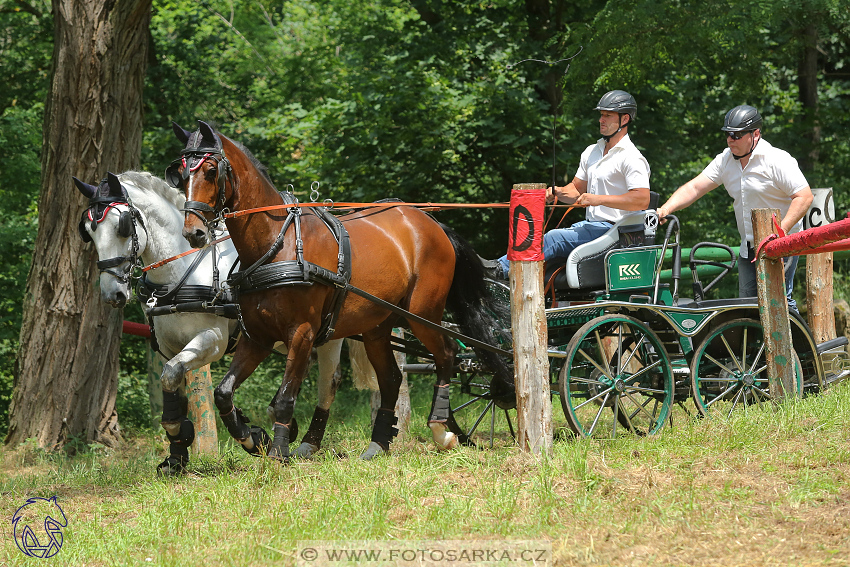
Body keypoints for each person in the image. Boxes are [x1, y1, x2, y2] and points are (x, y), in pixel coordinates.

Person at [657, 104, 813, 311]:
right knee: (747, 307)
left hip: (781, 245)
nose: (731, 139)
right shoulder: (725, 160)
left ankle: (800, 344)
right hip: (748, 247)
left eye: (737, 135)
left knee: (780, 304)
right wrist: (666, 208)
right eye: (728, 134)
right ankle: (756, 345)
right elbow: (695, 187)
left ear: (755, 134)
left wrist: (779, 232)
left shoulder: (777, 160)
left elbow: (804, 196)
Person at [489, 90, 651, 278]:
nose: (601, 120)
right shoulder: (592, 151)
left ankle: (500, 270)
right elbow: (576, 189)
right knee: (549, 238)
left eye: (608, 115)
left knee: (554, 238)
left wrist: (598, 199)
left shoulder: (632, 157)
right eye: (601, 115)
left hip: (618, 232)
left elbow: (641, 199)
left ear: (625, 119)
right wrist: (557, 192)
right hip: (592, 227)